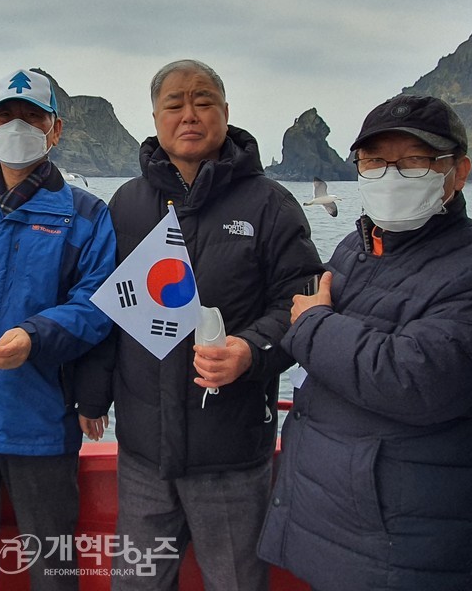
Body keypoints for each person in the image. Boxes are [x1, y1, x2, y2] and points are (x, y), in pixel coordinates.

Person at [257, 95, 472, 591]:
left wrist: (315, 324)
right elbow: (309, 330)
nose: (390, 175)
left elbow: (414, 380)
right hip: (328, 523)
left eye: (413, 161)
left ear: (458, 172)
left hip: (399, 543)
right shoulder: (356, 246)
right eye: (375, 162)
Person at [76, 59, 322, 590]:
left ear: (226, 113)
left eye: (204, 100)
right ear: (156, 117)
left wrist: (252, 351)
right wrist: (93, 397)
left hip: (231, 454)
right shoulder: (127, 203)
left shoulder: (271, 204)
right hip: (142, 451)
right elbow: (107, 309)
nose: (190, 113)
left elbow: (301, 301)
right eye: (175, 103)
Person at [0, 68, 117, 590]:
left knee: (52, 556)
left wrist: (36, 334)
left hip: (40, 414)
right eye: (5, 115)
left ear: (55, 130)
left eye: (32, 116)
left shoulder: (86, 214)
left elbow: (96, 304)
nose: (18, 125)